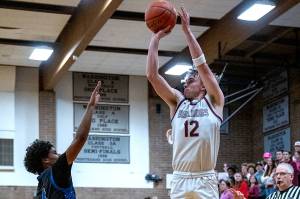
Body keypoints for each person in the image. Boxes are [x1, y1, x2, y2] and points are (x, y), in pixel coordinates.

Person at [146, 6, 224, 199]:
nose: (186, 81)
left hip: (205, 177)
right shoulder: (177, 102)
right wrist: (155, 40)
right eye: (186, 80)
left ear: (204, 85)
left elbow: (203, 66)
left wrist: (188, 33)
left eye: (192, 79)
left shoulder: (214, 101)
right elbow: (152, 75)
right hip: (180, 178)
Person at [24, 81, 101, 199]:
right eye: (54, 152)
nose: (59, 154)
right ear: (45, 159)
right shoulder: (56, 171)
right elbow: (80, 139)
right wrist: (90, 107)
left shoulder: (41, 187)